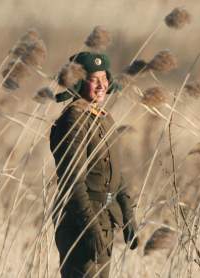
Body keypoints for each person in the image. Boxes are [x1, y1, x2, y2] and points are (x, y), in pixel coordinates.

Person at [49, 52, 138, 278]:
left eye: (104, 78)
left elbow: (116, 173)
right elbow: (73, 182)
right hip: (80, 223)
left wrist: (128, 214)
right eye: (93, 80)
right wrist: (90, 228)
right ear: (79, 82)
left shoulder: (102, 118)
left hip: (105, 220)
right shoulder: (73, 120)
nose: (101, 85)